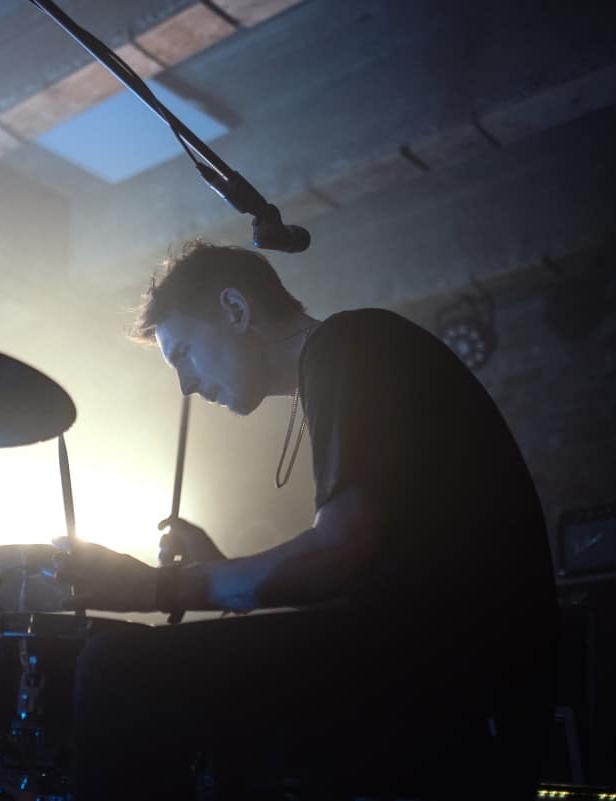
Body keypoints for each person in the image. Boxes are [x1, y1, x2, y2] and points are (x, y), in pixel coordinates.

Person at [53, 241, 559, 800]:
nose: (187, 385)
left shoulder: (347, 344)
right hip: (463, 671)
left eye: (185, 354)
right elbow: (369, 577)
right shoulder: (348, 356)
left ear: (235, 309)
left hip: (452, 676)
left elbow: (340, 553)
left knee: (116, 668)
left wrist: (157, 587)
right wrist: (224, 574)